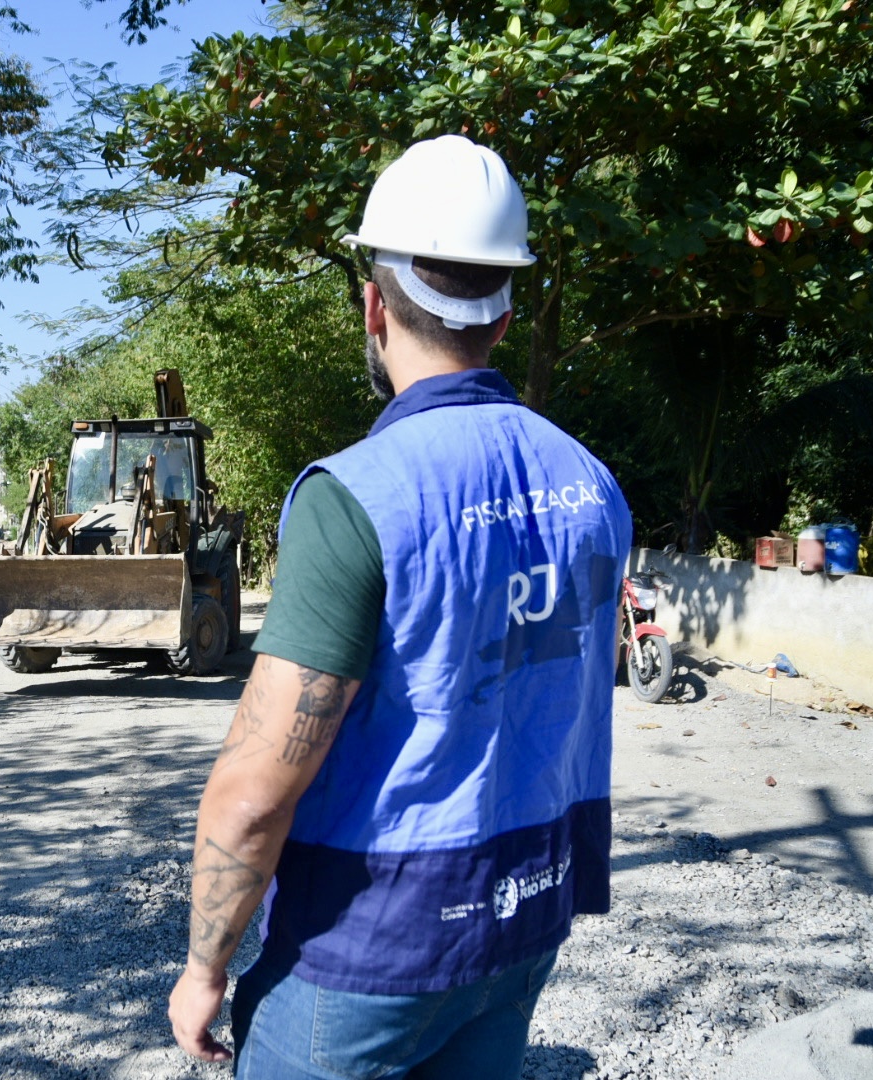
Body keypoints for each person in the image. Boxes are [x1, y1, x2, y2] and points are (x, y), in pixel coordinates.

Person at [167, 135, 633, 1078]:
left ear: (374, 306)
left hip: (372, 948)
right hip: (524, 920)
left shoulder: (357, 497)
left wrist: (203, 964)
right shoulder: (591, 484)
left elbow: (255, 793)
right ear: (505, 313)